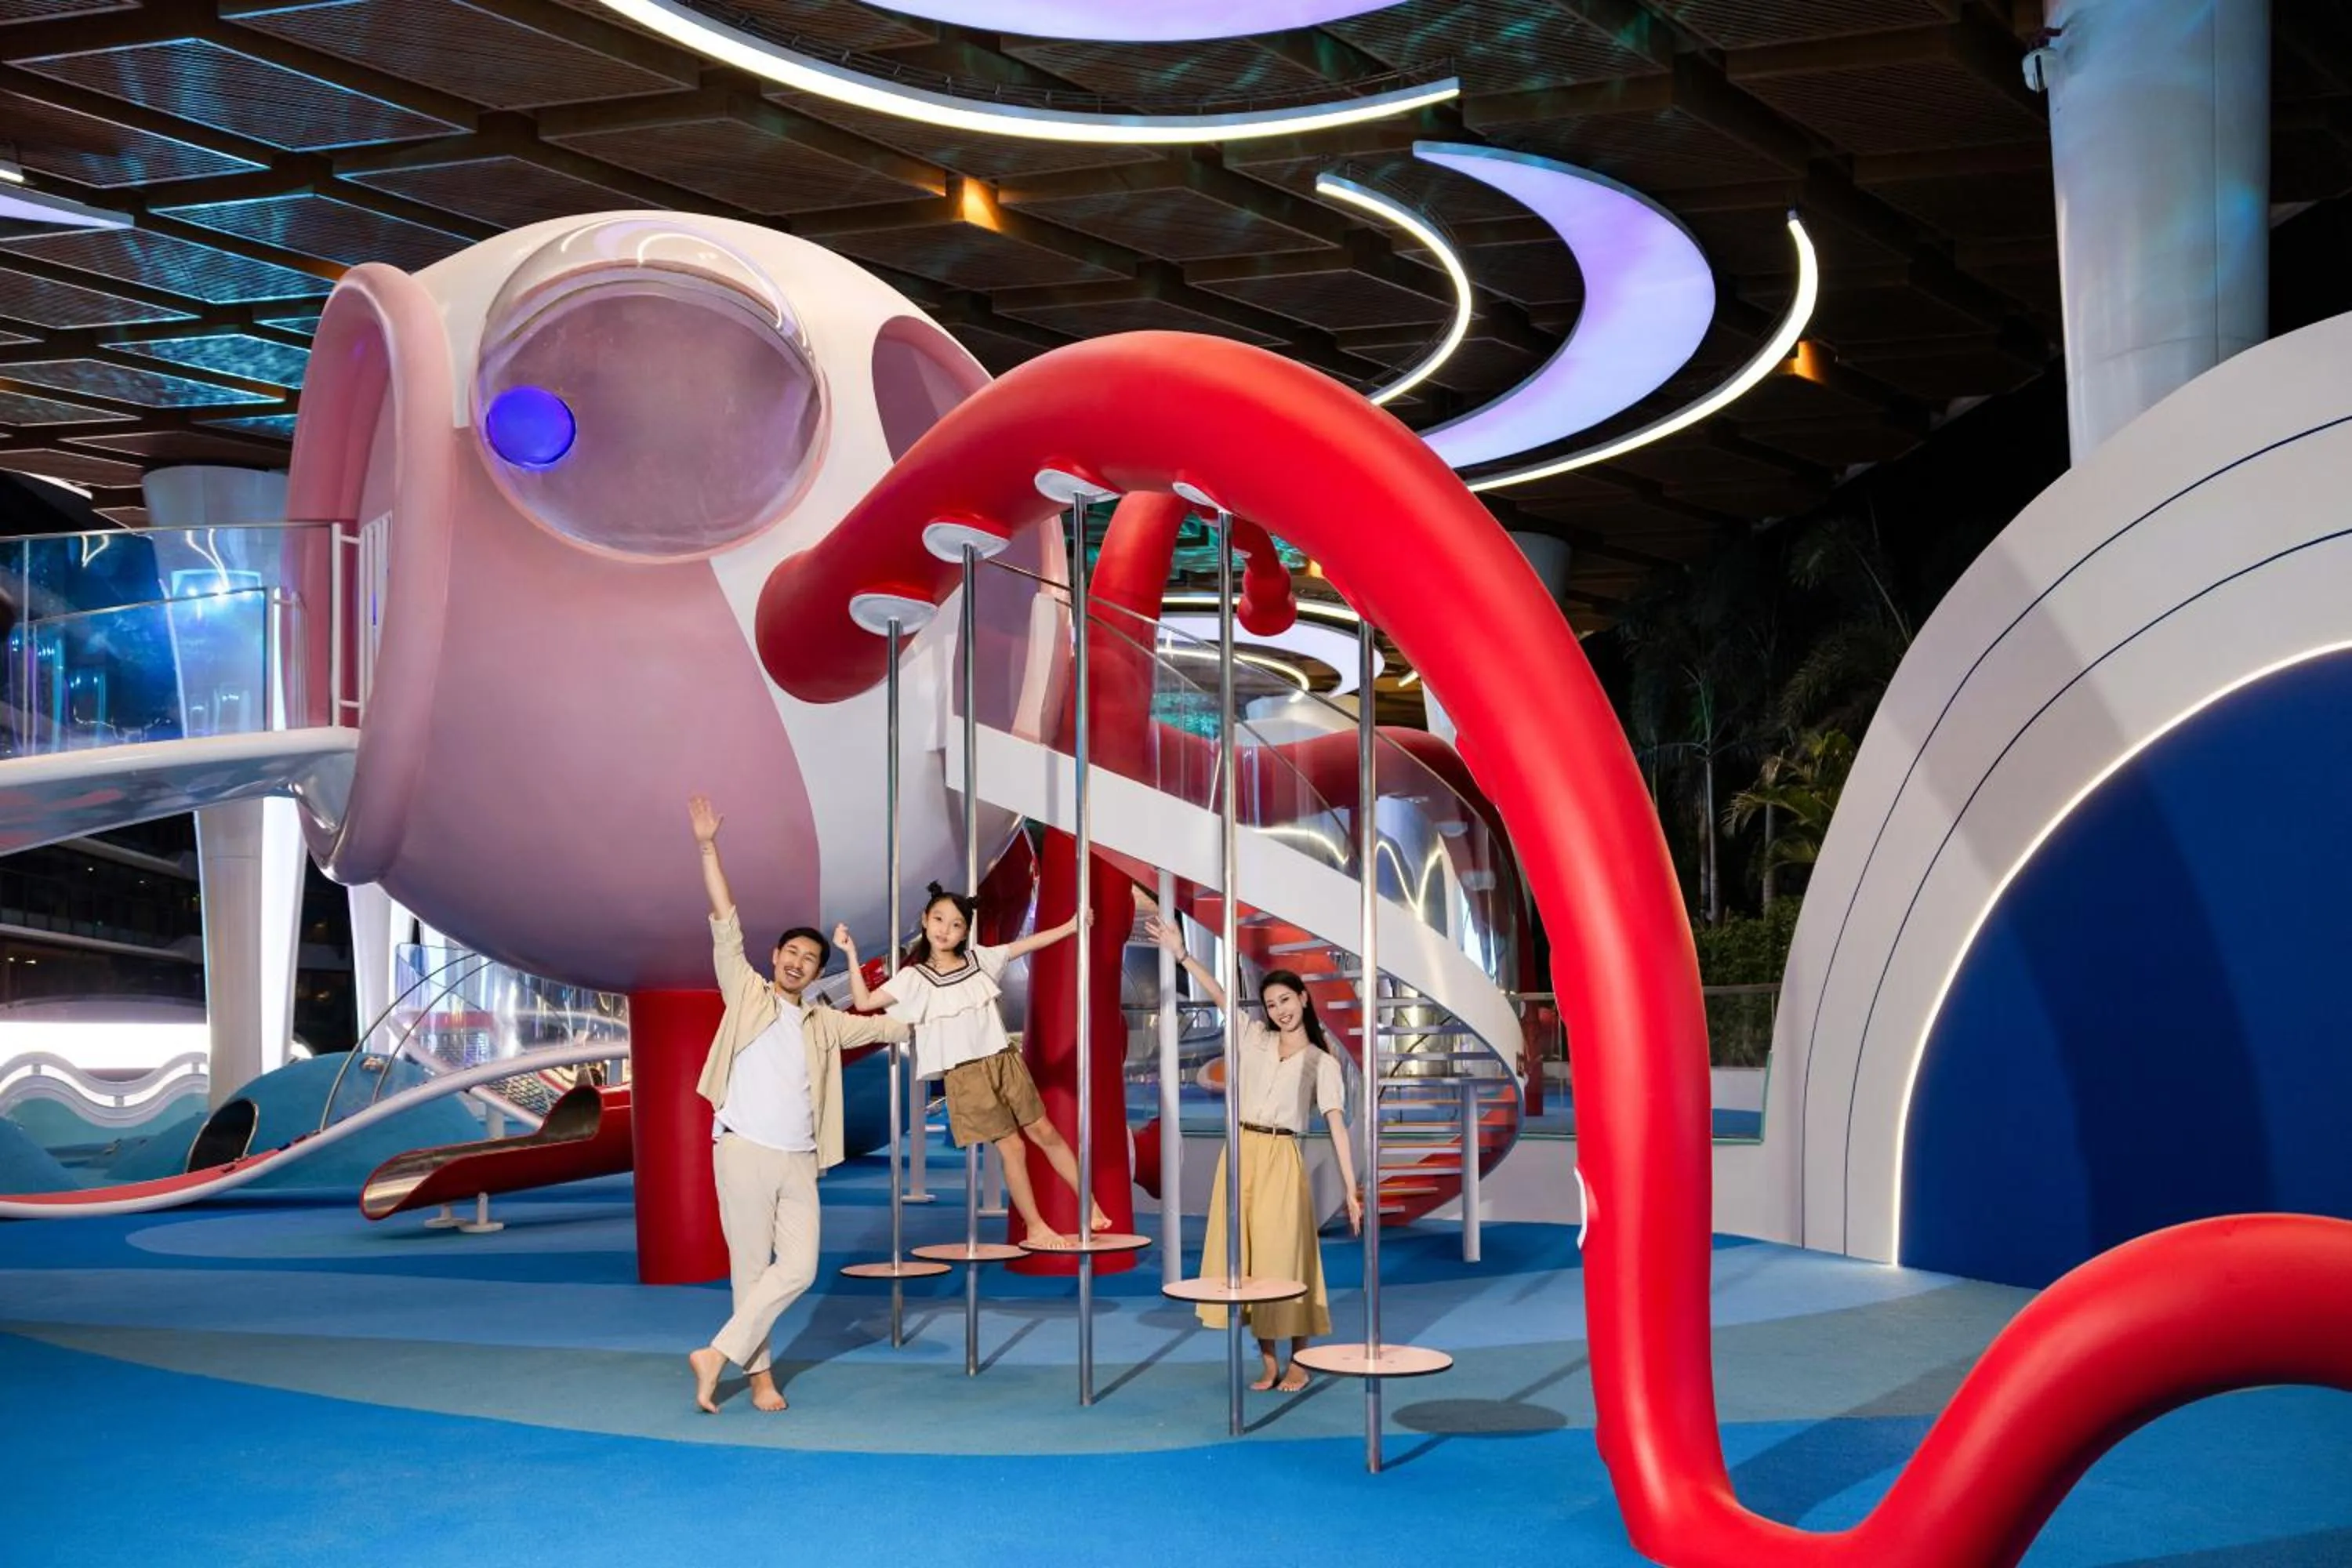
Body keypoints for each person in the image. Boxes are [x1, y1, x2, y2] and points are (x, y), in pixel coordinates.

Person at [684, 794, 909, 1416]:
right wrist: (708, 845)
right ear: (776, 956)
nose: (799, 962)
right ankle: (758, 1380)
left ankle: (716, 1353)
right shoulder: (747, 992)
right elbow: (724, 917)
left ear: (815, 973)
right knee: (751, 1272)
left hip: (798, 1161)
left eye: (811, 959)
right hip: (743, 1150)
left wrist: (936, 1003)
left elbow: (886, 1027)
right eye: (792, 952)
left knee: (800, 1268)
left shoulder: (823, 1022)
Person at [1146, 913, 1362, 1392]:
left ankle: (1300, 1359)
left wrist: (1351, 1188)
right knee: (1245, 1260)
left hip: (1282, 1158)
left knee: (1286, 1257)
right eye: (1271, 1003)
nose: (1280, 1009)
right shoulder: (1253, 1037)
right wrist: (1181, 954)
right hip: (1240, 1151)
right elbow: (1221, 994)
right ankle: (1268, 1362)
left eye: (1286, 1000)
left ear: (1304, 999)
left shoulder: (1321, 1063)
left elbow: (1336, 1126)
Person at [835, 884, 1109, 1250]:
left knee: (1045, 1132)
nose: (945, 930)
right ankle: (1036, 1226)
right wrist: (851, 954)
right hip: (965, 1075)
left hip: (1003, 1059)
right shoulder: (914, 977)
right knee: (1012, 1148)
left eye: (956, 924)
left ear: (966, 931)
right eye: (938, 920)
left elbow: (1023, 946)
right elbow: (865, 1001)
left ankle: (1089, 1205)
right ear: (925, 920)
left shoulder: (980, 960)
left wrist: (1071, 927)